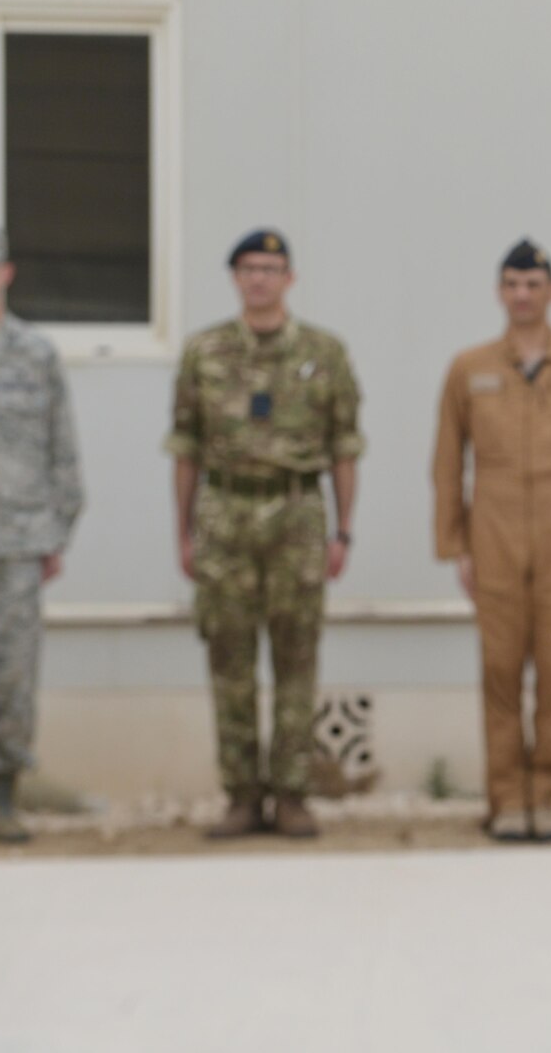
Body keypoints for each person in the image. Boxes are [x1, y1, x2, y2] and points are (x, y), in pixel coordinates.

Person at [167, 229, 362, 840]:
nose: (259, 278)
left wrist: (344, 531)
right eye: (249, 268)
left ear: (289, 278)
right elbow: (186, 450)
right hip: (225, 512)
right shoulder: (205, 352)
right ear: (234, 278)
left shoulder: (325, 353)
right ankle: (242, 795)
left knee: (297, 656)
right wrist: (184, 532)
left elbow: (344, 449)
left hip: (298, 513)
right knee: (229, 660)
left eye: (271, 268)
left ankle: (293, 794)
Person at [433, 240, 551, 842]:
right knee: (499, 667)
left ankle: (547, 793)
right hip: (492, 535)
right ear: (499, 292)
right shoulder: (470, 368)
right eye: (512, 284)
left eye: (533, 284)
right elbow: (446, 461)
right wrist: (455, 544)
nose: (522, 294)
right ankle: (506, 797)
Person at [0, 227, 83, 842]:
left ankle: (4, 794)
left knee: (16, 674)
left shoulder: (35, 353)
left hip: (17, 540)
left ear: (7, 273)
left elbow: (62, 449)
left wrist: (58, 532)